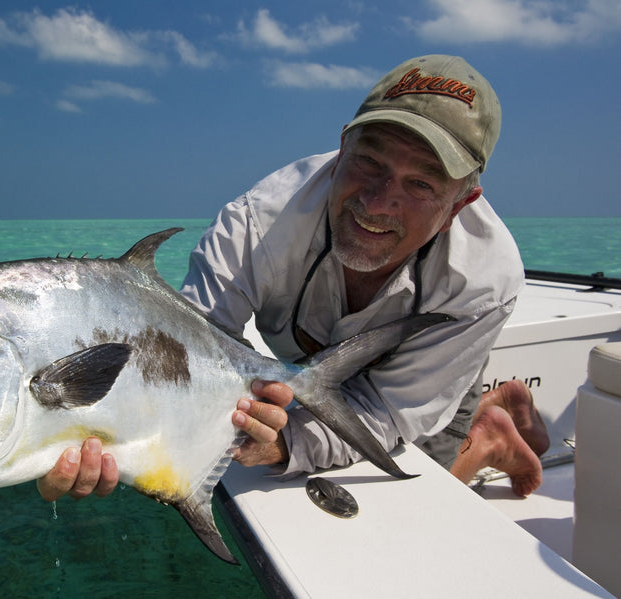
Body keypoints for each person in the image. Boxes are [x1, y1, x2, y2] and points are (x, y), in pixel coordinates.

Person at [37, 54, 546, 503]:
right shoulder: (257, 222)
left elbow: (390, 413)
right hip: (305, 363)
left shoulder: (484, 281)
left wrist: (288, 444)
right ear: (343, 146)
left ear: (461, 203)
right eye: (369, 162)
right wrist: (85, 431)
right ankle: (499, 406)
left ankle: (488, 435)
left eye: (420, 183)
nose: (376, 201)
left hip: (422, 380)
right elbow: (183, 353)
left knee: (425, 489)